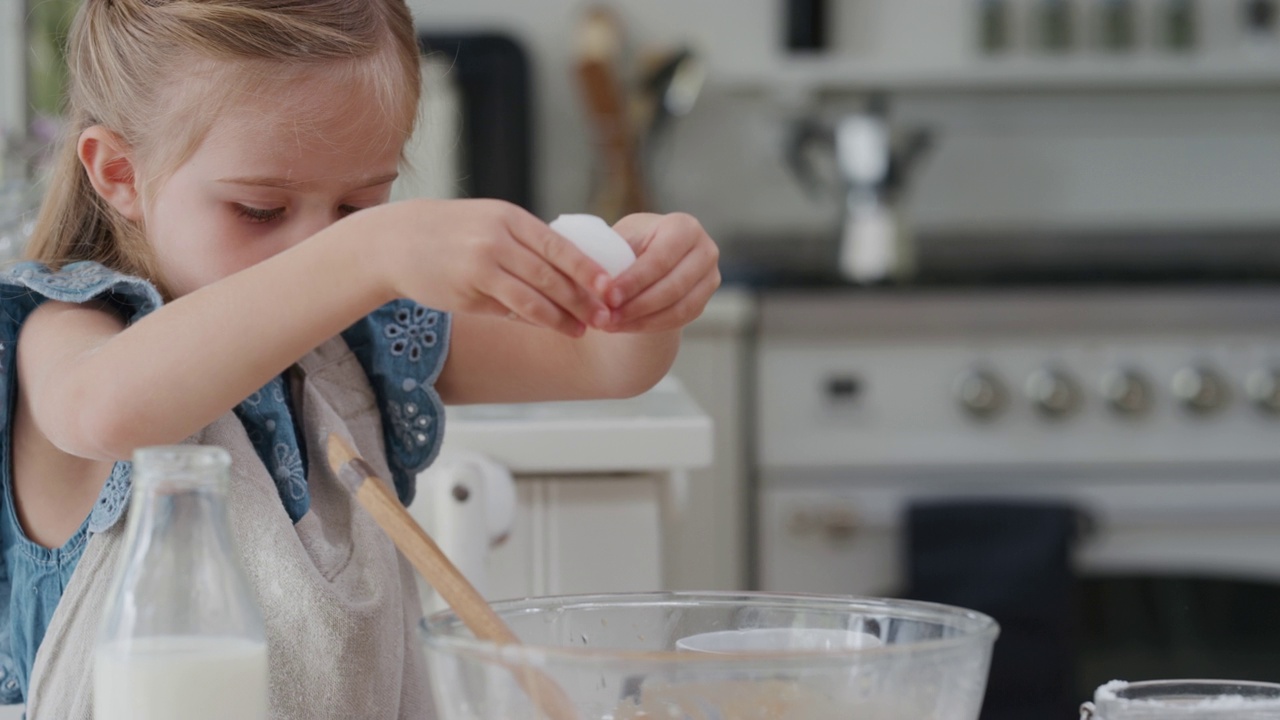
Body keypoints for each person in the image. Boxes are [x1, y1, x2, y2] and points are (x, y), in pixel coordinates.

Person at [0, 0, 720, 717]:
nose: (321, 249)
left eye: (357, 204)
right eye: (260, 209)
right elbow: (106, 412)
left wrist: (644, 277)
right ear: (119, 172)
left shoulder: (354, 340)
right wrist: (369, 248)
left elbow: (605, 362)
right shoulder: (70, 329)